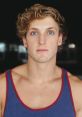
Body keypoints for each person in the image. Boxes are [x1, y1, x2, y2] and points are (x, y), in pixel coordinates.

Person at [0, 3, 82, 117]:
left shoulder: (78, 91)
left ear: (59, 39)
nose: (42, 41)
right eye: (34, 33)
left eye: (50, 32)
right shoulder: (2, 86)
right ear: (25, 40)